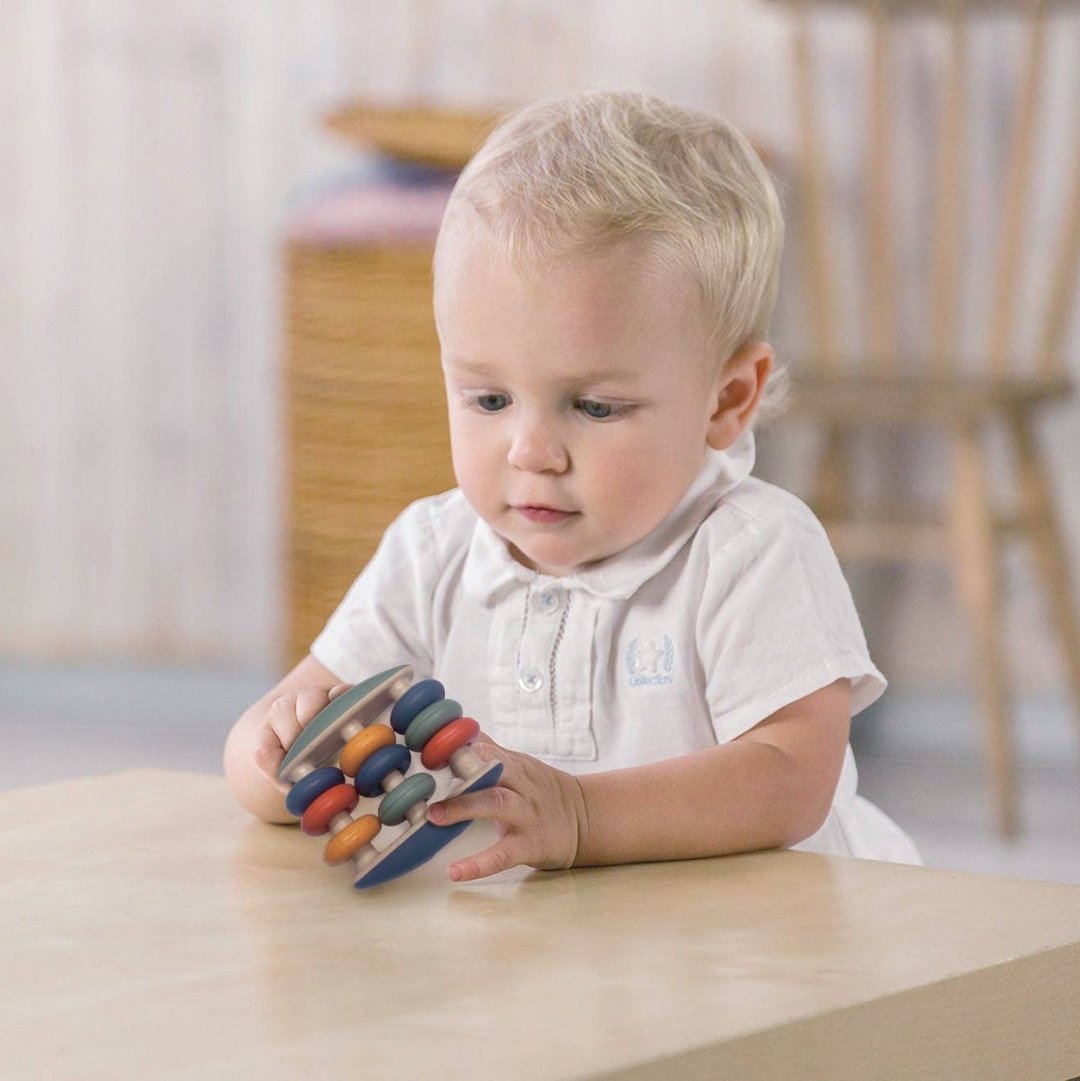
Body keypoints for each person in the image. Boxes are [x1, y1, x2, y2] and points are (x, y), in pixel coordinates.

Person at [223, 89, 920, 882]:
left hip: (761, 950)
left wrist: (584, 815)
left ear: (727, 400)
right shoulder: (433, 551)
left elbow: (792, 777)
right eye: (488, 398)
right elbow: (261, 763)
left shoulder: (749, 549)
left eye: (593, 406)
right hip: (552, 961)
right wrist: (275, 750)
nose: (531, 451)